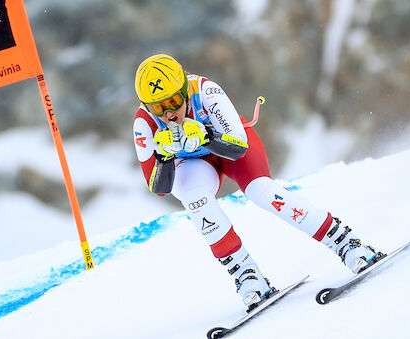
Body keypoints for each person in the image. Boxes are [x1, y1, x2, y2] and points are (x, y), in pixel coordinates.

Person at [132, 54, 382, 311]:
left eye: (173, 101)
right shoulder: (144, 124)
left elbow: (238, 148)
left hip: (227, 145)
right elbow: (159, 188)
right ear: (146, 107)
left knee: (261, 190)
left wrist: (206, 136)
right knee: (195, 201)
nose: (170, 114)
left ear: (185, 89)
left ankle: (347, 244)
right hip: (194, 165)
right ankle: (248, 277)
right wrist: (163, 157)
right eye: (158, 108)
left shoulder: (205, 90)